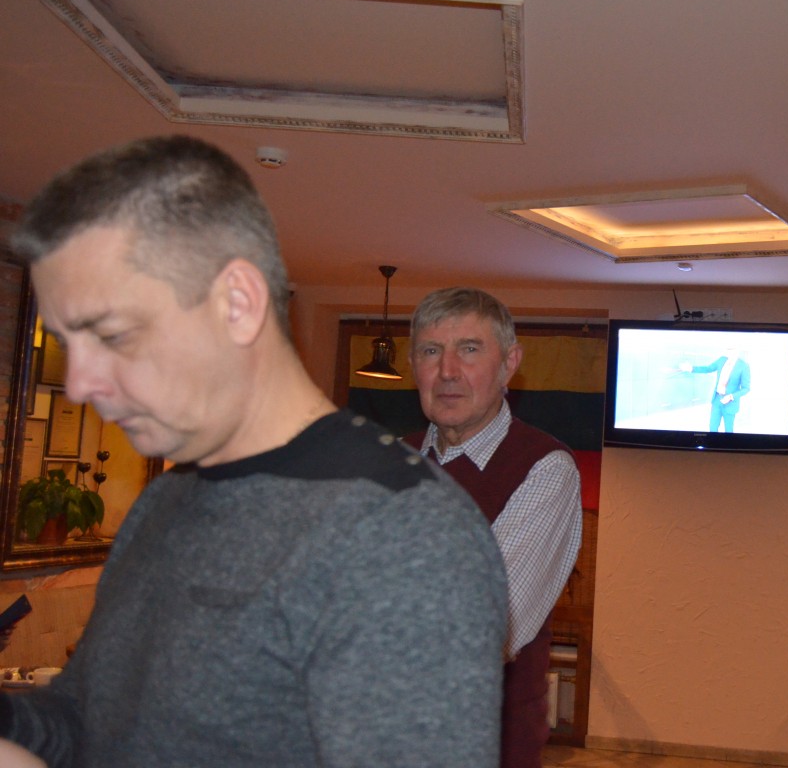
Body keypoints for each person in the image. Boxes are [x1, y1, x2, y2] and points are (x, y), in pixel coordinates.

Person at [1, 136, 508, 768]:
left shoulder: (400, 536)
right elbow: (86, 722)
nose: (79, 384)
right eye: (67, 344)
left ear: (237, 305)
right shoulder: (165, 501)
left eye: (110, 333)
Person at [402, 287, 581, 768]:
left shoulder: (544, 468)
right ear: (413, 366)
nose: (447, 371)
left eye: (469, 349)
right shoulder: (388, 462)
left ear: (509, 364)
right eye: (431, 351)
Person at [679, 346, 751, 432]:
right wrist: (691, 368)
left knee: (728, 430)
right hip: (717, 400)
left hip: (730, 403)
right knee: (712, 427)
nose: (729, 352)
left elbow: (746, 388)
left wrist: (731, 396)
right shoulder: (722, 360)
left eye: (732, 350)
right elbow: (708, 368)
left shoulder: (743, 366)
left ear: (737, 350)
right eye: (728, 350)